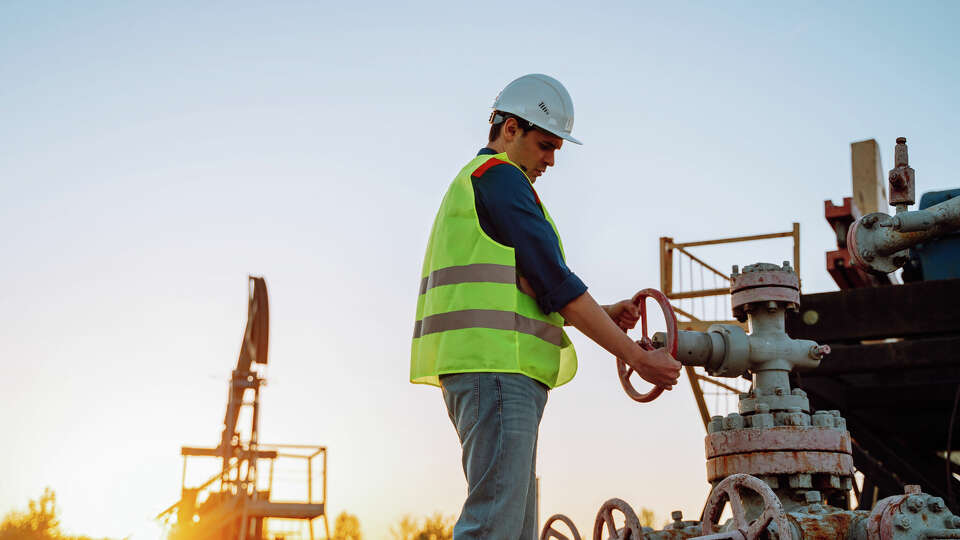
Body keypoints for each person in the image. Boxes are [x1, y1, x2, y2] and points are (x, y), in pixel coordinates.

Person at [410, 73, 681, 540]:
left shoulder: (482, 185)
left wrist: (604, 309)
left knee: (512, 527)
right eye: (545, 145)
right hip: (496, 371)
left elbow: (533, 288)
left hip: (491, 372)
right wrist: (636, 356)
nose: (552, 160)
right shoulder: (499, 180)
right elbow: (556, 285)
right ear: (510, 129)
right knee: (494, 525)